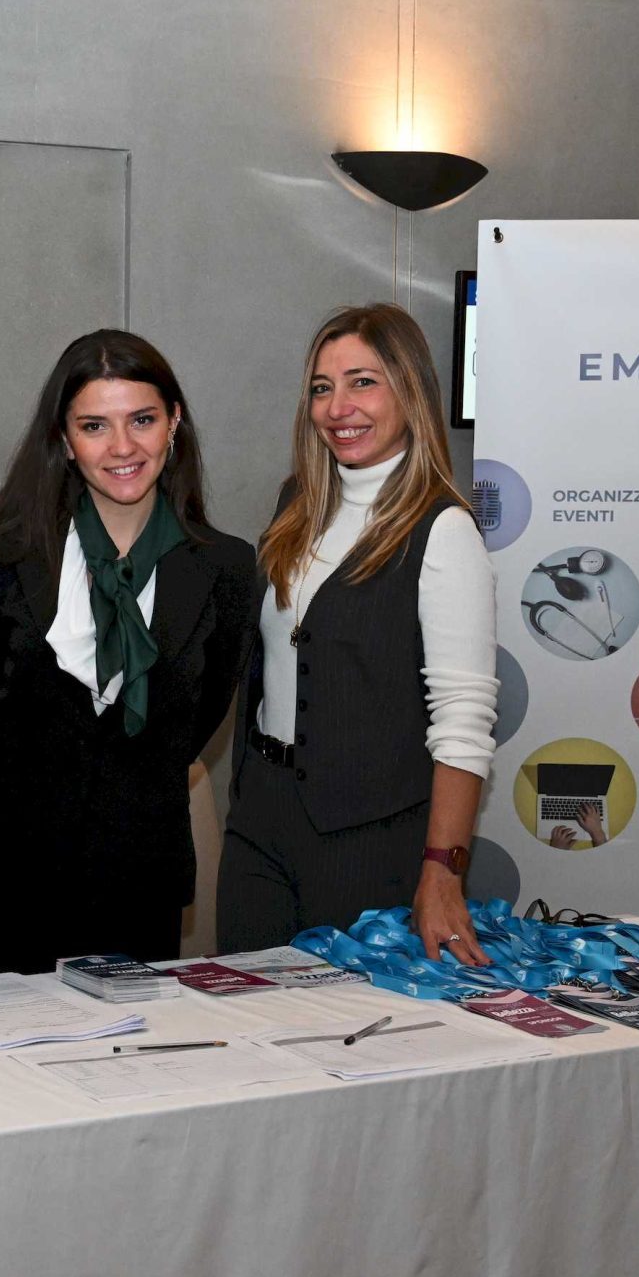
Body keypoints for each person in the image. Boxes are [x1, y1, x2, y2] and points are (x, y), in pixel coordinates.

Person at [0, 330, 259, 976]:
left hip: (136, 888)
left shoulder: (226, 568)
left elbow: (193, 726)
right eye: (95, 426)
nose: (122, 446)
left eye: (142, 420)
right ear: (64, 439)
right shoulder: (5, 554)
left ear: (174, 422)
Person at [218, 302, 498, 964]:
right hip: (260, 823)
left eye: (363, 382)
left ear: (410, 390)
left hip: (370, 838)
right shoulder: (295, 504)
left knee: (351, 1023)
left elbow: (463, 720)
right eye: (323, 387)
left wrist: (443, 870)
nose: (338, 407)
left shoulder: (443, 529)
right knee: (244, 1010)